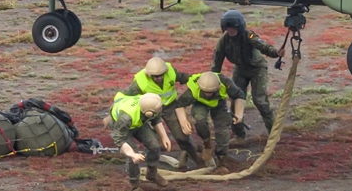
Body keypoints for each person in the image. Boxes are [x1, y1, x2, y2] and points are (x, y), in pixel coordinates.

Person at [120, 56, 209, 170]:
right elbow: (126, 98)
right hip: (149, 110)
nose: (159, 78)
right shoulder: (139, 83)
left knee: (181, 137)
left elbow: (186, 78)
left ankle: (195, 157)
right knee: (151, 141)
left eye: (161, 75)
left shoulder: (171, 72)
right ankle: (151, 166)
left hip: (169, 107)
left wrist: (205, 81)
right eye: (156, 76)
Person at [211, 9, 281, 138]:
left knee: (260, 100)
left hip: (257, 69)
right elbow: (217, 60)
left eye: (233, 28)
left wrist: (275, 52)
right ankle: (239, 133)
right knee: (235, 101)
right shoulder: (223, 41)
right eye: (228, 28)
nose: (230, 31)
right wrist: (212, 79)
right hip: (240, 70)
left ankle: (274, 132)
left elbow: (262, 45)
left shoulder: (249, 36)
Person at [109, 91, 172, 190]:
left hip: (138, 122)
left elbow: (156, 119)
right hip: (122, 127)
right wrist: (131, 154)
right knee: (133, 154)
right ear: (149, 113)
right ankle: (134, 183)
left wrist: (164, 137)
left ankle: (152, 173)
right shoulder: (125, 118)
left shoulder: (151, 103)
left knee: (154, 146)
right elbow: (118, 137)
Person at [175, 70, 237, 173]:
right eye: (205, 92)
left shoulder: (225, 83)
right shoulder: (193, 90)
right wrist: (183, 121)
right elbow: (179, 104)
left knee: (222, 130)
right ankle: (207, 145)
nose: (207, 94)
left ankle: (221, 161)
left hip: (219, 103)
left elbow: (239, 95)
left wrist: (239, 113)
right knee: (200, 121)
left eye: (210, 92)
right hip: (200, 103)